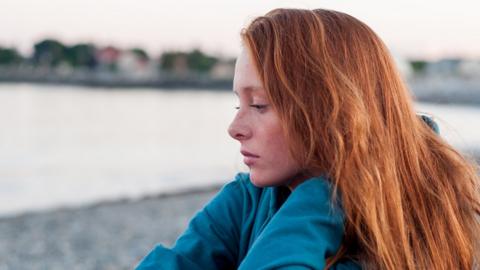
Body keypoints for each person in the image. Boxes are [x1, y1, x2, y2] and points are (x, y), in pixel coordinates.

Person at [136, 8, 480, 269]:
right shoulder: (249, 199)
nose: (234, 127)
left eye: (259, 105)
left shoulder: (398, 239)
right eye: (237, 103)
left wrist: (325, 194)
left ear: (338, 114)